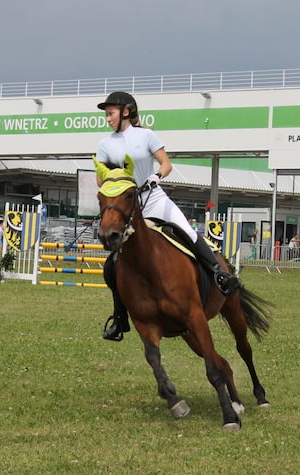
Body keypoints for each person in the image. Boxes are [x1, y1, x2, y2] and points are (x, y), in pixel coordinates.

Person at [94, 91, 238, 341]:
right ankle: (120, 318)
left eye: (110, 113)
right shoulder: (105, 144)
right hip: (128, 208)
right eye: (106, 114)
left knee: (189, 233)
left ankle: (220, 274)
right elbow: (100, 178)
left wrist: (155, 176)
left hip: (154, 199)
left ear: (126, 111)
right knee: (113, 264)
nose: (107, 118)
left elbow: (166, 164)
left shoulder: (147, 136)